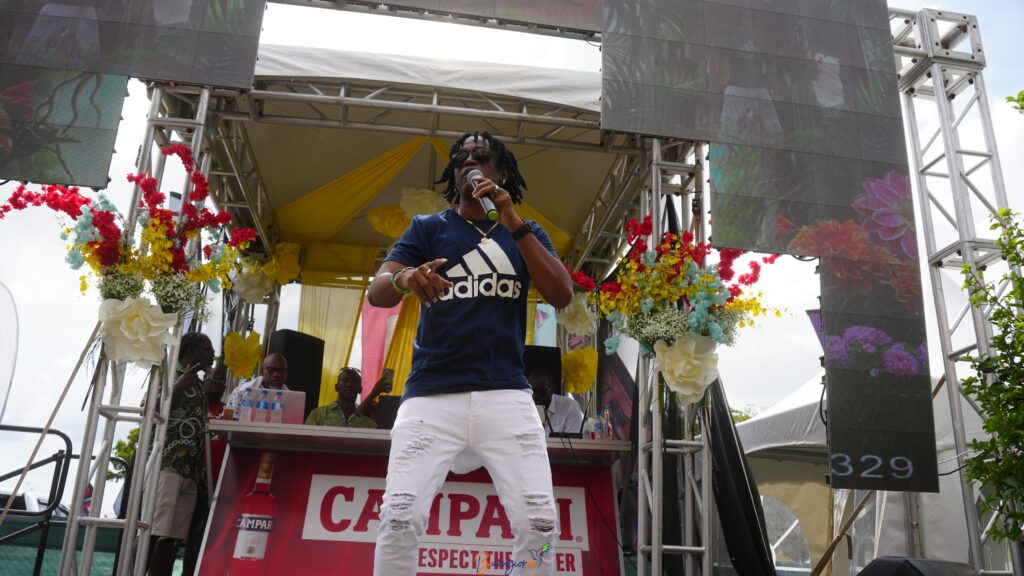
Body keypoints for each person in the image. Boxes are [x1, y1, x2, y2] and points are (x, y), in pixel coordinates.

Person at [366, 131, 573, 575]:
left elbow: (561, 295)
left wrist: (513, 222)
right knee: (399, 519)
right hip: (431, 394)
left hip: (506, 394)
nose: (469, 162)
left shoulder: (525, 233)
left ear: (502, 173)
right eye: (460, 157)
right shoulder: (428, 228)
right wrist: (405, 278)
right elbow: (377, 291)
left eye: (482, 156)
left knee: (539, 526)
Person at [147, 332, 215, 576]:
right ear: (191, 350)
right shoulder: (170, 374)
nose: (212, 354)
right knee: (154, 531)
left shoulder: (198, 383)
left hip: (191, 470)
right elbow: (148, 409)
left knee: (172, 538)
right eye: (207, 349)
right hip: (168, 464)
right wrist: (177, 387)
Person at [305, 367, 392, 428]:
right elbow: (306, 442)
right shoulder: (318, 414)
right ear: (336, 387)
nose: (349, 384)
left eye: (354, 381)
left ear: (360, 389)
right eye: (345, 380)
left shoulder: (369, 424)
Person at [530, 369, 583, 436]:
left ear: (553, 389)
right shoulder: (522, 406)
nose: (537, 396)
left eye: (542, 392)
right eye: (532, 391)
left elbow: (572, 441)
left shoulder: (570, 407)